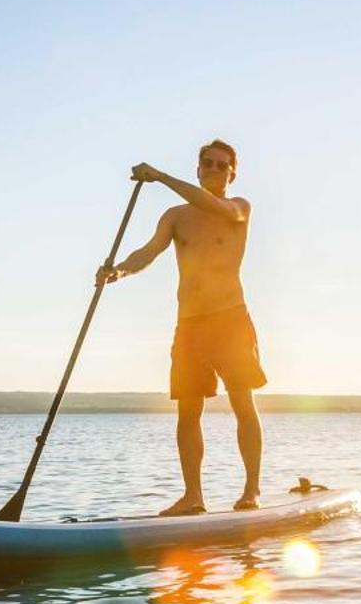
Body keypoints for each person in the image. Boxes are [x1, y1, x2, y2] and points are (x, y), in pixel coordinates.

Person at [97, 140, 265, 514]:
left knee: (242, 401)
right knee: (188, 412)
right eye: (207, 163)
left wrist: (159, 176)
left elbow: (212, 204)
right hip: (189, 325)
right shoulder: (175, 216)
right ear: (198, 167)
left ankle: (251, 490)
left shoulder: (237, 209)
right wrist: (118, 271)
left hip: (230, 319)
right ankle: (193, 497)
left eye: (222, 166)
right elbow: (149, 251)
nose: (213, 169)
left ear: (231, 174)